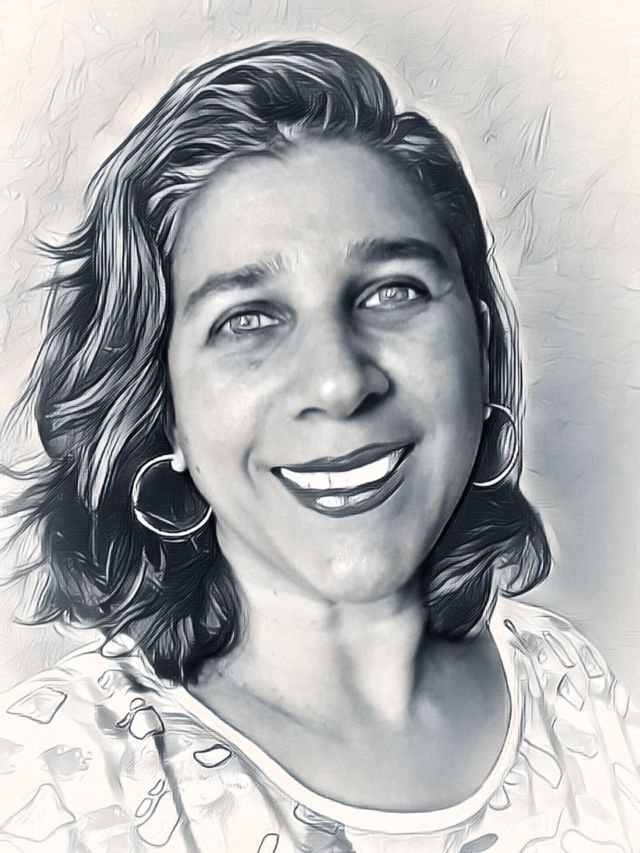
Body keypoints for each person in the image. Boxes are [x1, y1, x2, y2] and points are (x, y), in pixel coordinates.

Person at [0, 39, 638, 853]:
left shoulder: (575, 686)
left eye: (393, 290)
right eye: (247, 318)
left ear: (480, 348)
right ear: (164, 409)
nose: (339, 382)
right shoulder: (59, 781)